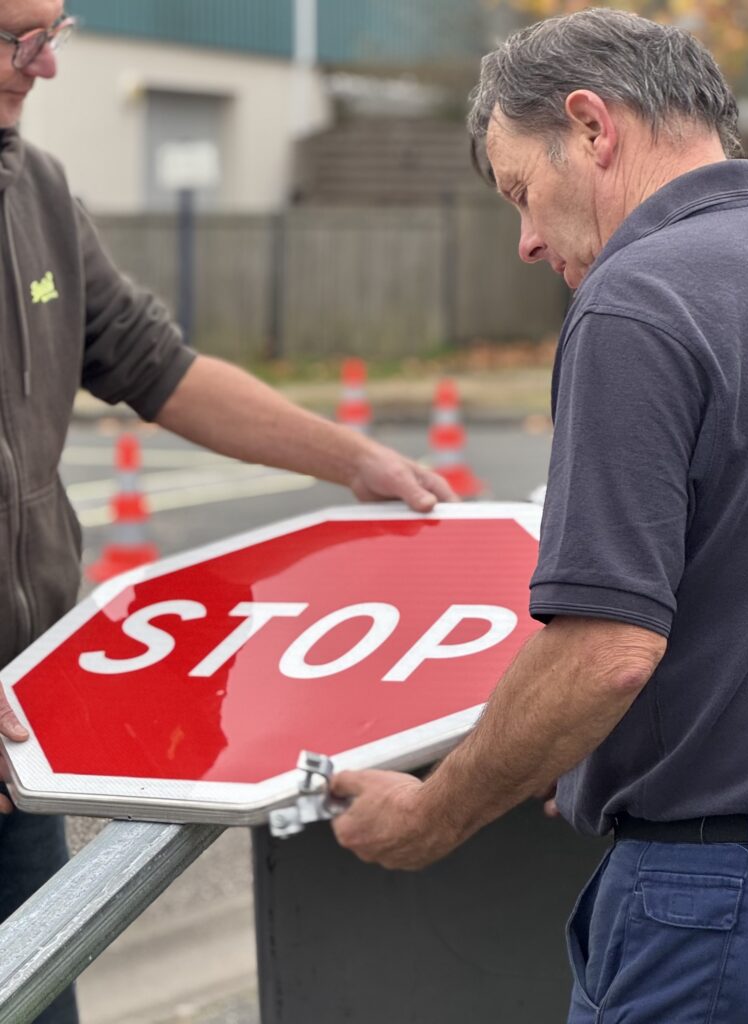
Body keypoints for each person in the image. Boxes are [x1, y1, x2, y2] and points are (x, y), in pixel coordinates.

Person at [0, 3, 454, 1022]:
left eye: (54, 34)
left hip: (18, 738)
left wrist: (353, 457)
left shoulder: (35, 190)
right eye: (12, 38)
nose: (44, 68)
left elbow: (160, 369)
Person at [330, 8, 748, 1021]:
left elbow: (607, 651)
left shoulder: (640, 301)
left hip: (712, 902)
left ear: (592, 127)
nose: (526, 240)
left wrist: (433, 815)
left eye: (522, 190)